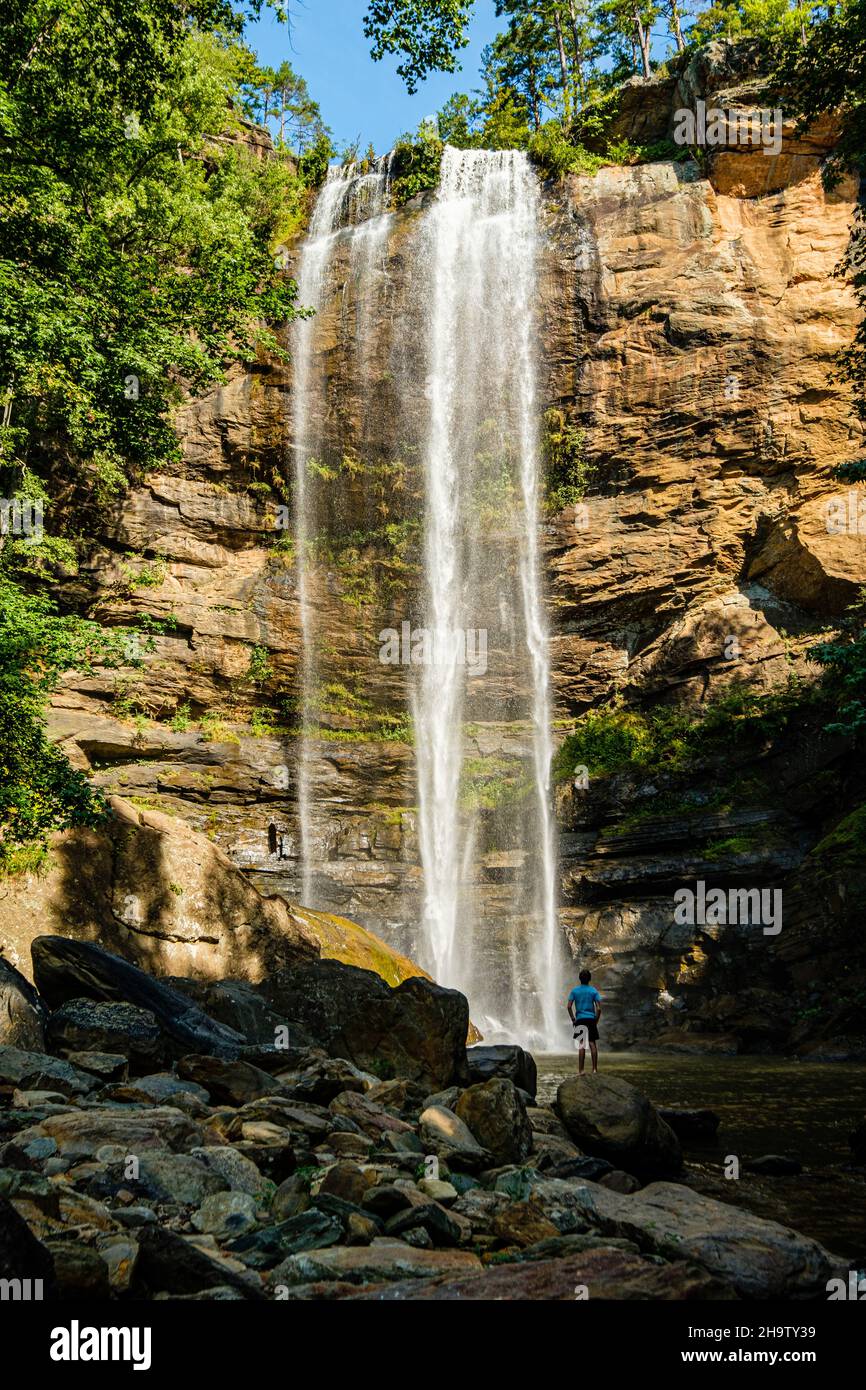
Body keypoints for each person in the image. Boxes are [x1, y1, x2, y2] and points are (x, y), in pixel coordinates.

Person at [567, 969, 602, 1074]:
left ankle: (581, 1070)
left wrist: (573, 1019)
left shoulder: (575, 991)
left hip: (580, 1019)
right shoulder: (593, 991)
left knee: (582, 1044)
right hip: (591, 1019)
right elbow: (599, 1008)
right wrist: (596, 1019)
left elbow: (569, 1006)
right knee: (592, 1044)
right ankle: (594, 1069)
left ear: (579, 979)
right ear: (589, 979)